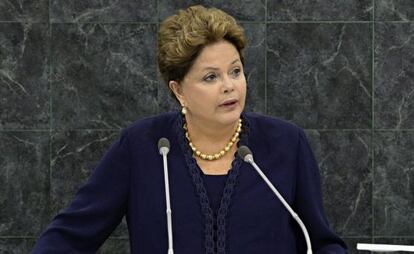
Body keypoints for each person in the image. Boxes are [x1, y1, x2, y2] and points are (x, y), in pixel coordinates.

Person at [32, 5, 348, 254]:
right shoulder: (143, 146)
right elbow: (68, 238)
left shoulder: (286, 143)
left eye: (235, 71)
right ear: (179, 90)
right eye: (210, 77)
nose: (229, 87)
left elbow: (322, 243)